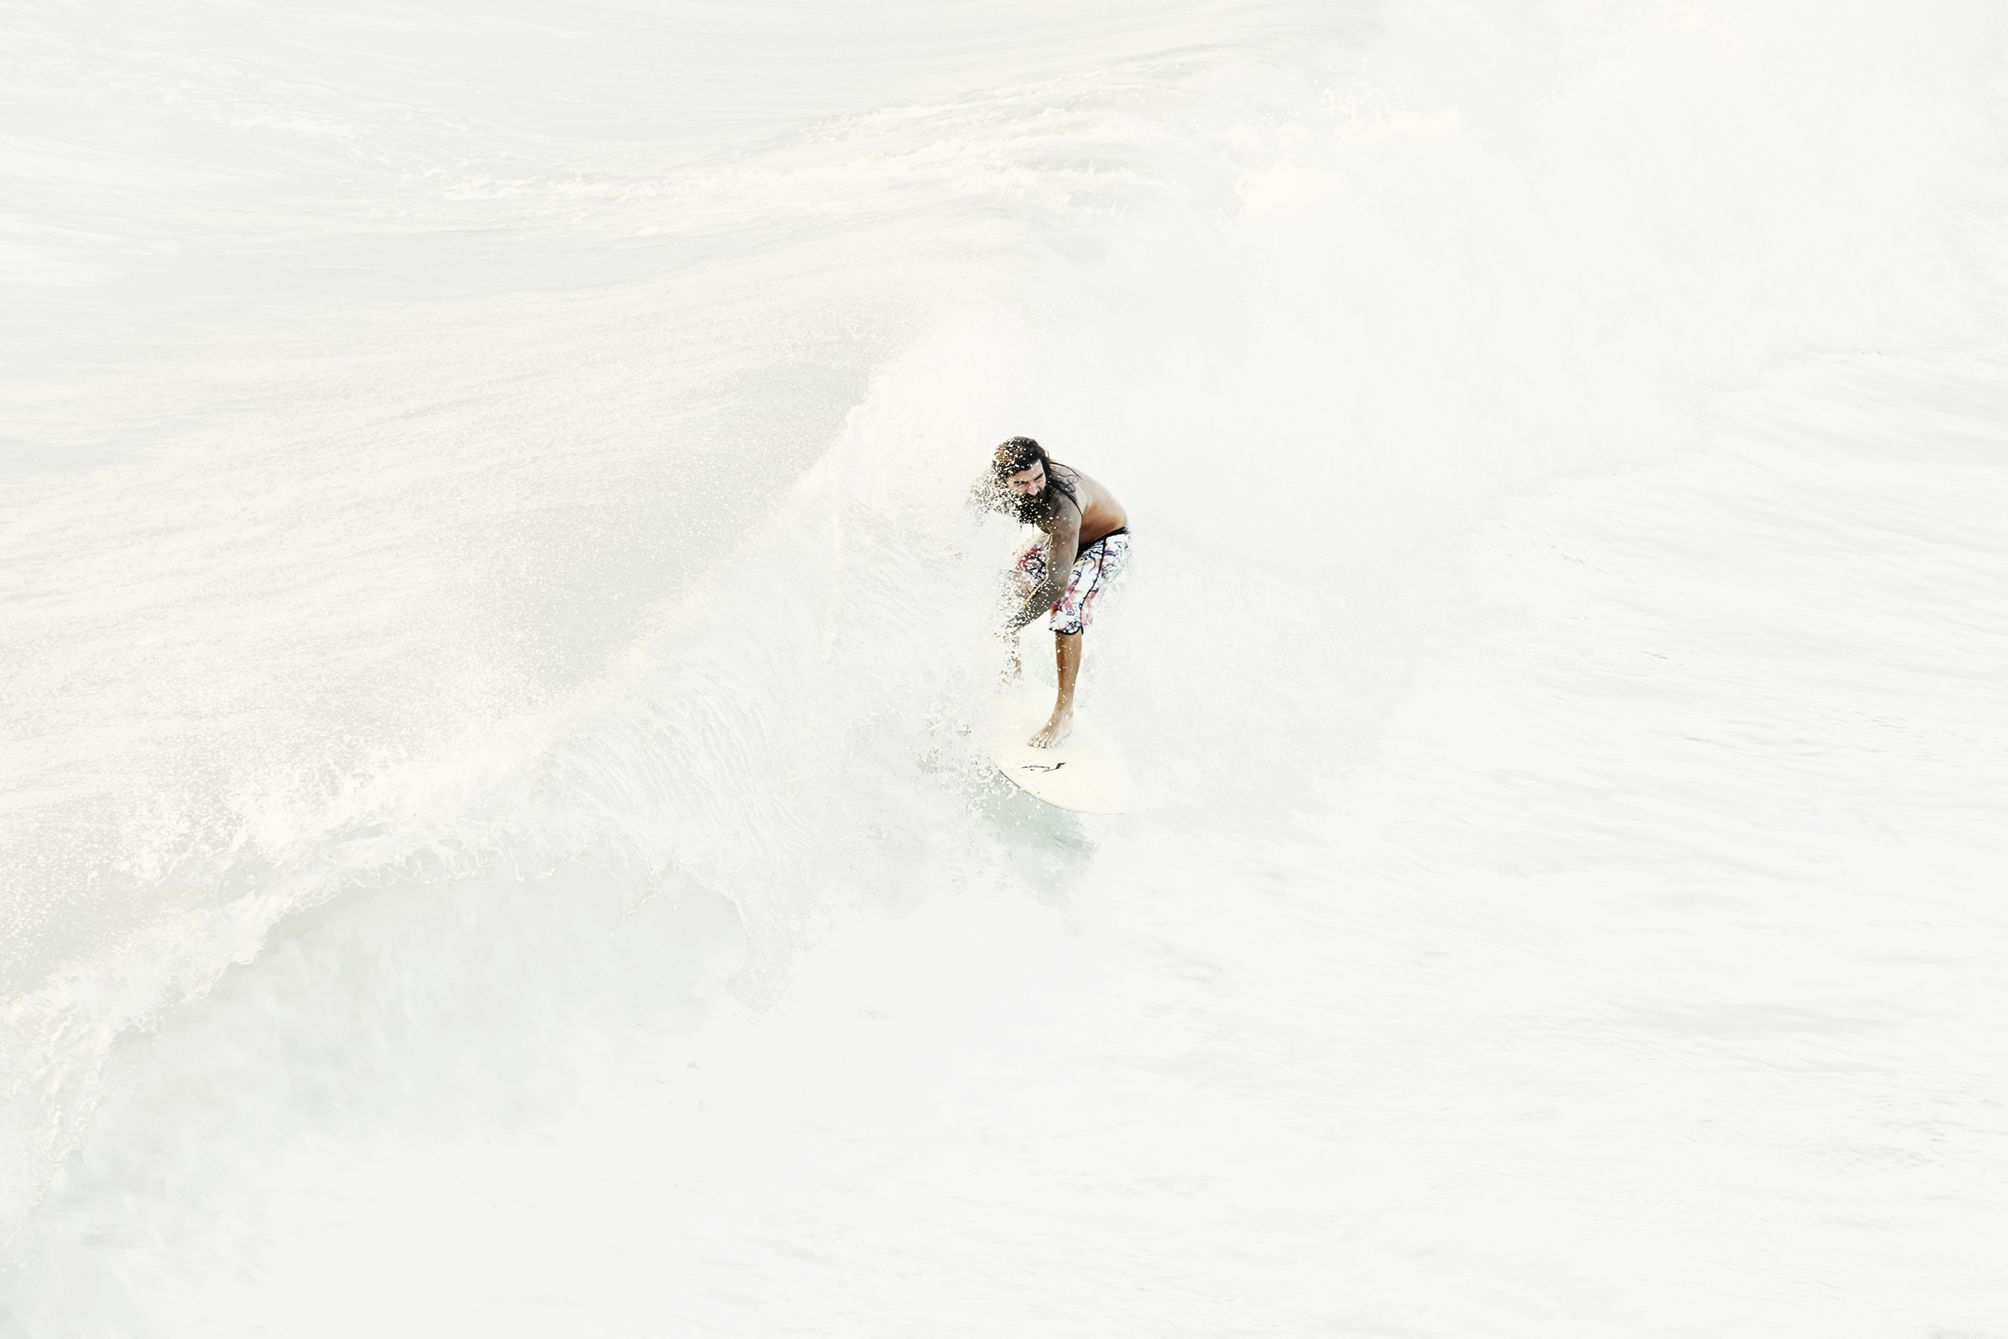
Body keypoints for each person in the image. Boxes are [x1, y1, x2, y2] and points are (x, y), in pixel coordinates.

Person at [980, 436, 1132, 748]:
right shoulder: (990, 487)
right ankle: (1011, 675)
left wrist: (1013, 623)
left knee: (1065, 610)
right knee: (1005, 588)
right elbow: (970, 511)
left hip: (1104, 540)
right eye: (1021, 483)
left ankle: (1064, 714)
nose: (1034, 488)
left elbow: (1054, 584)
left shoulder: (1062, 503)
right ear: (1003, 481)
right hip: (1061, 538)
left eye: (1039, 477)